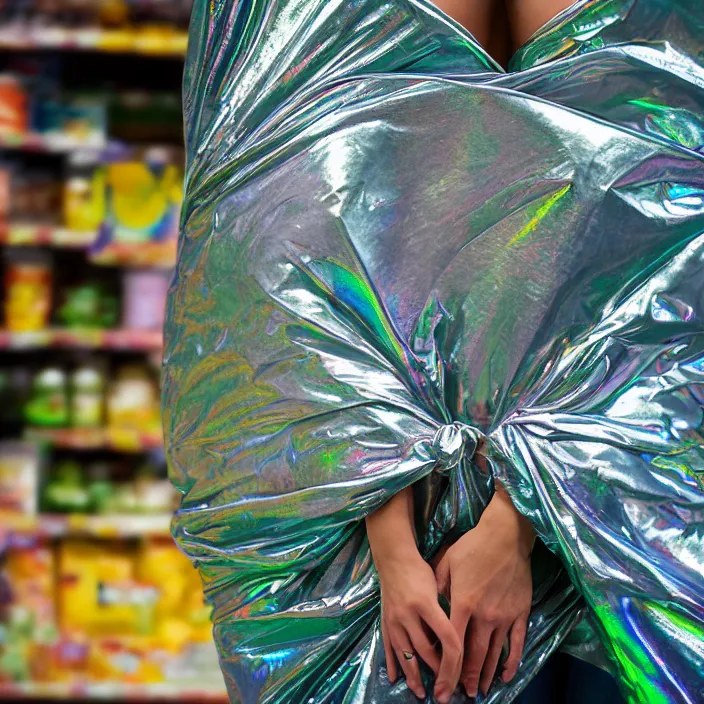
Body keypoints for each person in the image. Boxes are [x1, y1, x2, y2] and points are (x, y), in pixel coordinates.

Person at [164, 1, 704, 702]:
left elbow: (288, 255)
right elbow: (657, 266)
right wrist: (502, 523)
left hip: (422, 526)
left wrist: (479, 528)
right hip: (595, 494)